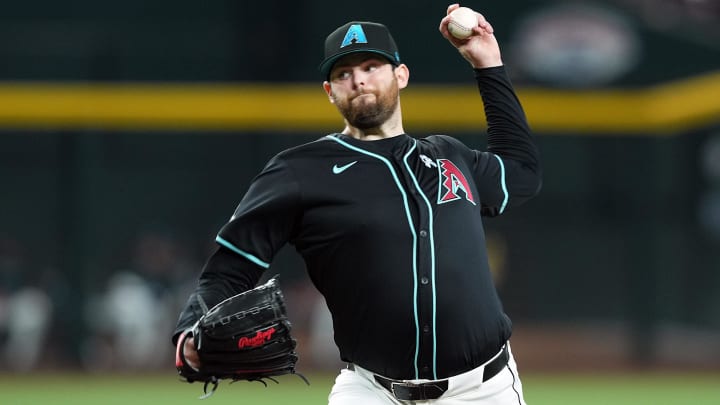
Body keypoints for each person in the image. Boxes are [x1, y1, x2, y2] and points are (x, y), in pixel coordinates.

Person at [173, 4, 541, 404]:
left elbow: (521, 173)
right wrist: (192, 328)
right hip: (371, 390)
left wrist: (489, 65)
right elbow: (229, 268)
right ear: (330, 92)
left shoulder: (451, 156)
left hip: (486, 389)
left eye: (370, 67)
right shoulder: (300, 171)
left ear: (400, 75)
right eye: (343, 73)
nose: (358, 80)